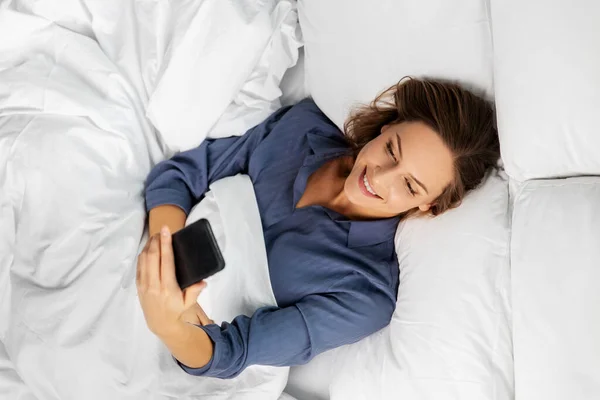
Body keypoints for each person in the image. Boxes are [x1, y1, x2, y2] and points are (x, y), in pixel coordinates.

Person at [136, 77, 500, 379]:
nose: (379, 177)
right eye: (391, 150)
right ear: (387, 128)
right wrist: (165, 265)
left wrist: (168, 323)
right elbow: (178, 176)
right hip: (139, 262)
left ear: (428, 205)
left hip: (178, 360)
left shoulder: (365, 291)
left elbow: (231, 352)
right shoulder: (305, 126)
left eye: (409, 185)